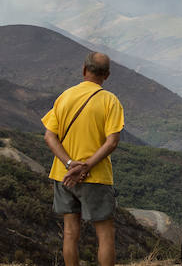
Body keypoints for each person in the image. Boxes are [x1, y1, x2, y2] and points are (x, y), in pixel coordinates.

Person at [42, 52, 125, 266]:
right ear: (106, 75)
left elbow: (49, 136)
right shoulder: (110, 101)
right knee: (105, 236)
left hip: (64, 175)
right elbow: (112, 142)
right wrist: (86, 165)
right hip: (95, 177)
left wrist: (69, 164)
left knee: (70, 233)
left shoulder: (65, 96)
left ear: (84, 70)